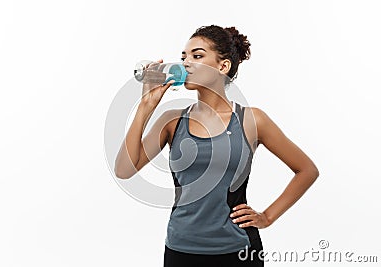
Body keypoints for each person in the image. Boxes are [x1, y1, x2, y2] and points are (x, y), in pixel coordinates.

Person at [114, 25, 319, 267]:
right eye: (184, 57)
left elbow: (307, 170)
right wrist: (145, 106)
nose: (186, 63)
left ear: (223, 66)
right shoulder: (172, 120)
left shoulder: (252, 120)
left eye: (197, 56)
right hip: (181, 249)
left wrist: (267, 217)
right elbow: (124, 170)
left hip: (239, 251)